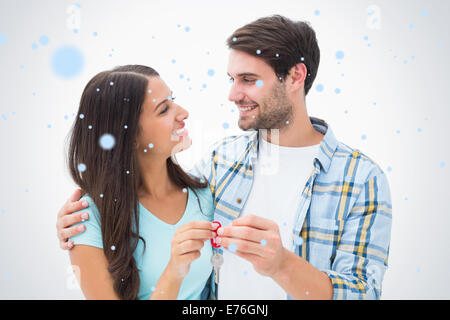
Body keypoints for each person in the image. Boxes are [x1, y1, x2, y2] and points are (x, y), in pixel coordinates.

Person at [57, 15, 392, 300]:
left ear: (295, 76)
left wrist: (283, 265)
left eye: (248, 80)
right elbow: (146, 200)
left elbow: (363, 292)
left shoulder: (361, 178)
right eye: (232, 79)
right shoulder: (221, 162)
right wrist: (82, 221)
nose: (233, 95)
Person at [60, 64, 219, 300]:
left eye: (173, 100)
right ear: (130, 135)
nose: (183, 113)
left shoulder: (207, 192)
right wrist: (173, 272)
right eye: (164, 109)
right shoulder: (85, 222)